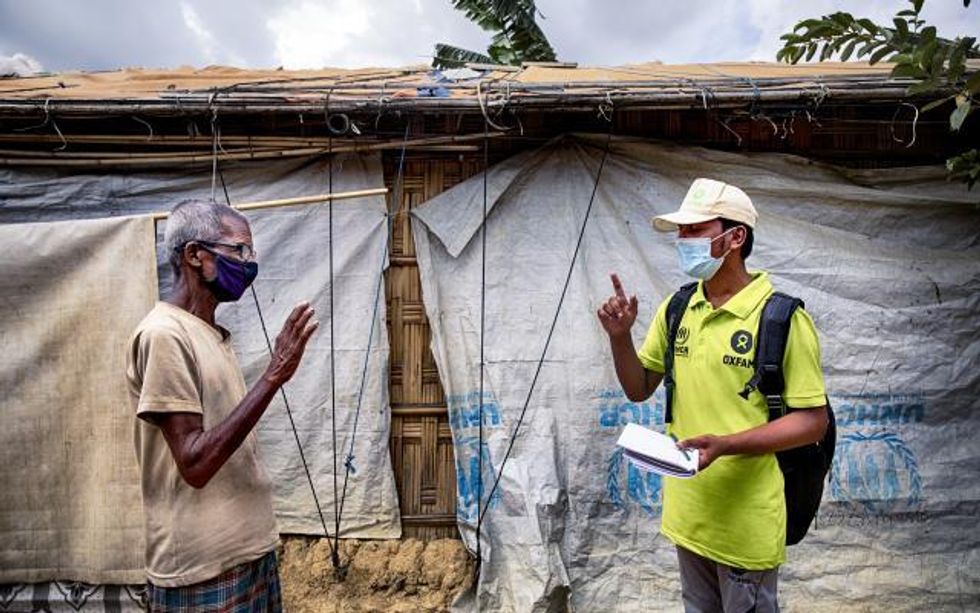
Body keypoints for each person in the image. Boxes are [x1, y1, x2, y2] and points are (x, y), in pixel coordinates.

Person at [597, 178, 828, 612]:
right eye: (681, 232)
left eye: (695, 230)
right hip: (689, 515)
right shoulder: (678, 308)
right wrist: (619, 338)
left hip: (745, 523)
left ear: (735, 237)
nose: (683, 241)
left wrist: (728, 445)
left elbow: (813, 421)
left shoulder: (780, 318)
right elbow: (638, 387)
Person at [126, 199, 318, 611]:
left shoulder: (209, 334)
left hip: (247, 555)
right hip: (202, 568)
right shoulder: (164, 335)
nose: (249, 263)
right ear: (195, 255)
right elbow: (195, 464)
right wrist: (273, 376)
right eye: (239, 250)